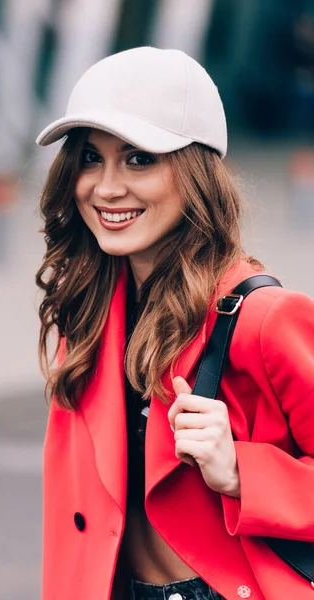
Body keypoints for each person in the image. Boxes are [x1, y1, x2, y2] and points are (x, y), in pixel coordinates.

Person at [35, 47, 314, 600]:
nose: (107, 187)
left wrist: (242, 471)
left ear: (195, 172)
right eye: (91, 158)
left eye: (139, 159)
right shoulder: (85, 318)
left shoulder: (262, 316)